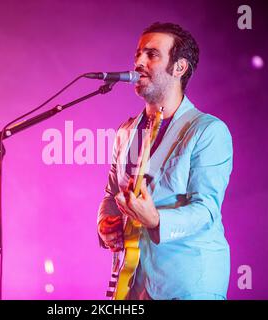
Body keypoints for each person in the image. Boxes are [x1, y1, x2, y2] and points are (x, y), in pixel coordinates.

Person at [97, 22, 233, 300]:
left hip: (189, 282)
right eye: (137, 54)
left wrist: (156, 220)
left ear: (179, 67)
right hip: (134, 281)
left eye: (152, 54)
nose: (138, 62)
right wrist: (105, 222)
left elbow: (206, 210)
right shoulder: (125, 131)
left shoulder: (208, 130)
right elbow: (111, 193)